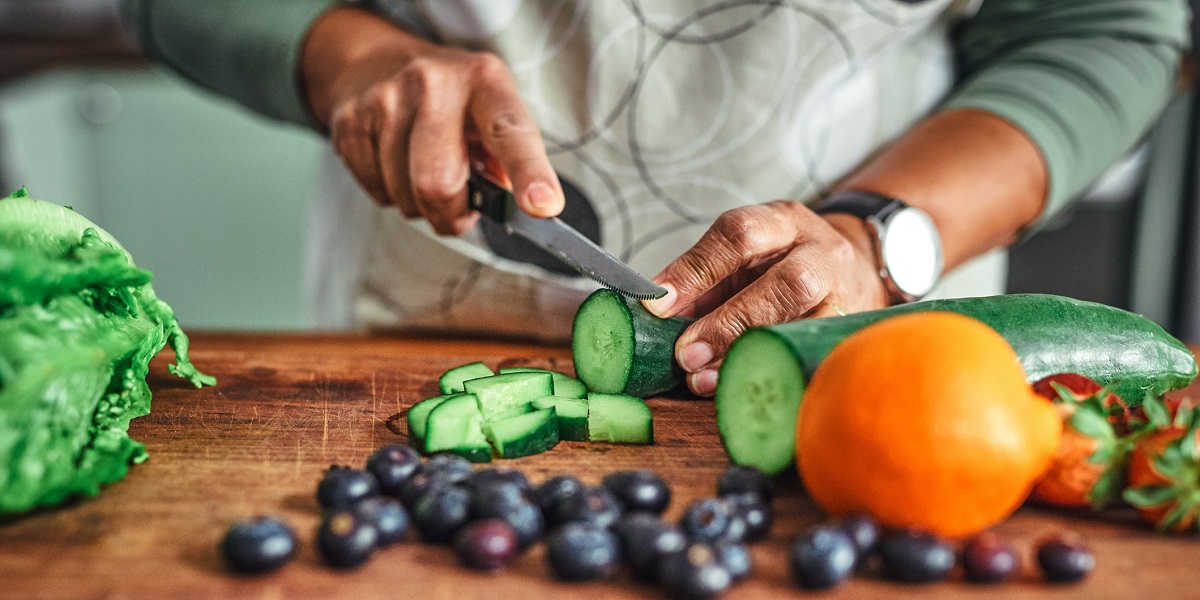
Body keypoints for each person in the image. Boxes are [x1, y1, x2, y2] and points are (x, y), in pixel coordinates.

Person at [121, 0, 1189, 396]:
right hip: (416, 308)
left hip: (876, 334)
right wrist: (351, 59)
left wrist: (883, 236)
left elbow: (1102, 28)